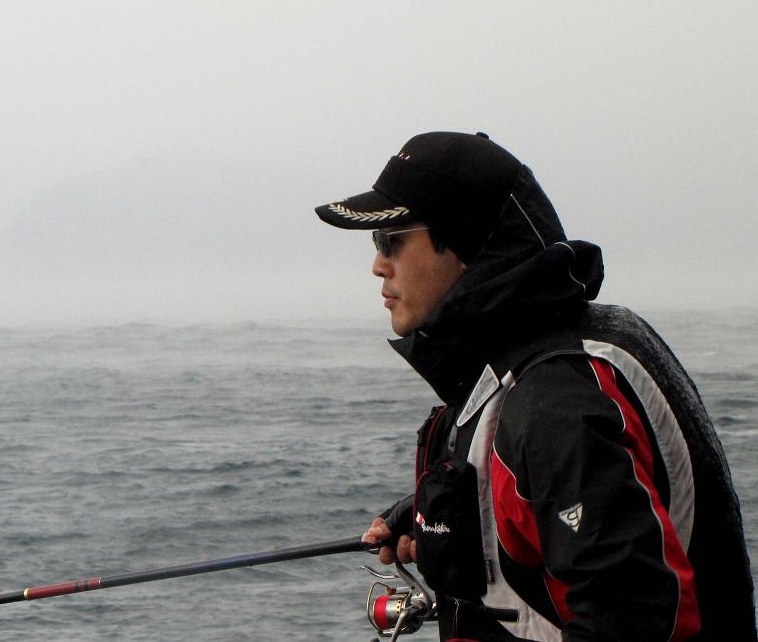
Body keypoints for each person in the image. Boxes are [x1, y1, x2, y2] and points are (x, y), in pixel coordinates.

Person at [314, 131, 755, 641]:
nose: (377, 265)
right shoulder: (570, 344)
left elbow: (629, 616)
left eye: (391, 239)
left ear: (464, 242)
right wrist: (448, 515)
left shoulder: (555, 396)